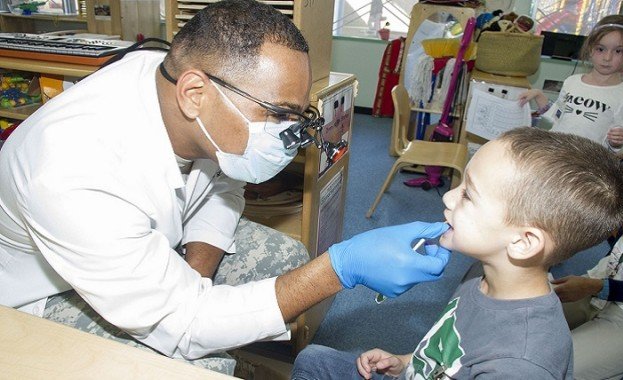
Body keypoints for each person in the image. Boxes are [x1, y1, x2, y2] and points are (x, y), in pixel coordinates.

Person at [0, 0, 452, 373]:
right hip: (48, 289)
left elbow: (225, 183)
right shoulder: (71, 170)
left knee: (287, 260)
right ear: (195, 94)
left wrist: (195, 278)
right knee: (203, 363)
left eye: (294, 116)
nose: (286, 133)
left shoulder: (178, 91)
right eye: (278, 113)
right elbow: (180, 321)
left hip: (139, 245)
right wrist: (338, 268)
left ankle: (237, 345)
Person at [291, 127, 623, 379]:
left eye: (469, 195)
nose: (449, 198)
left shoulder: (521, 364)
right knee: (313, 359)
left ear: (524, 242)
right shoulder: (483, 273)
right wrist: (406, 362)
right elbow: (452, 351)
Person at [551, 144, 623, 379]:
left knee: (556, 368)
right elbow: (621, 246)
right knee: (523, 320)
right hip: (607, 280)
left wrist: (597, 288)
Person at [518, 14, 623, 151]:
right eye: (601, 49)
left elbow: (612, 147)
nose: (607, 57)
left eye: (618, 51)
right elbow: (556, 117)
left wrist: (616, 142)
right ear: (590, 49)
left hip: (584, 163)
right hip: (553, 154)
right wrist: (538, 95)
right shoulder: (572, 81)